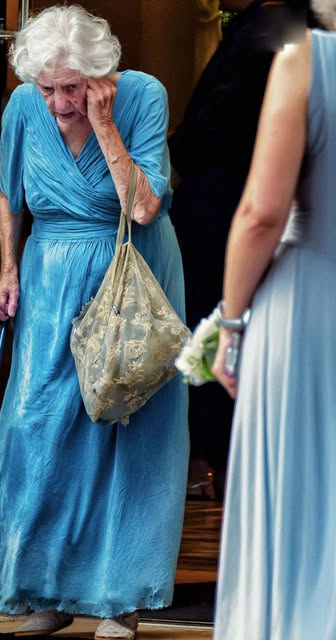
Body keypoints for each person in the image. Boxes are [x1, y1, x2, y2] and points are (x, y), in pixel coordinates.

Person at [0, 5, 189, 639]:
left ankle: (120, 597)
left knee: (125, 426)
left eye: (71, 88)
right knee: (37, 425)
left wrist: (103, 124)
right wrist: (8, 271)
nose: (58, 104)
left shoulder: (143, 96)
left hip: (129, 276)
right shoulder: (24, 108)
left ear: (99, 75)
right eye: (48, 89)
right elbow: (10, 194)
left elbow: (144, 207)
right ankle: (45, 588)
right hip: (50, 279)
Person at [211, 1, 336, 637]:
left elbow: (261, 213)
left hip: (311, 307)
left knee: (297, 503)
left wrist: (230, 325)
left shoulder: (307, 60)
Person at [167, 0, 314, 499]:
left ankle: (217, 467)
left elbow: (208, 121)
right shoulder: (298, 34)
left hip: (230, 206)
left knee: (218, 332)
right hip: (279, 219)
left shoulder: (270, 31)